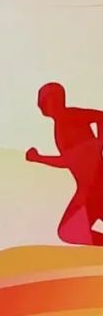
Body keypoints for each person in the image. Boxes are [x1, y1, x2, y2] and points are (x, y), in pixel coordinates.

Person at [26, 82, 103, 245]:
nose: (47, 105)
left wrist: (38, 158)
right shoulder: (60, 124)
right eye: (46, 100)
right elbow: (71, 159)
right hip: (87, 190)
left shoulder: (70, 116)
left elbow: (69, 160)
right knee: (69, 231)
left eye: (54, 98)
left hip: (95, 187)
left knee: (69, 231)